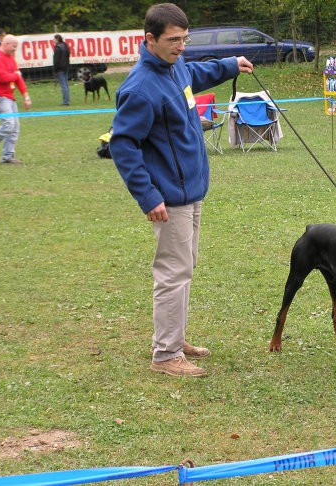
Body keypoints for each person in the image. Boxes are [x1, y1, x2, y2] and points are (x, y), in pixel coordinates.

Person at [109, 3, 253, 377]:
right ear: (150, 40)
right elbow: (123, 146)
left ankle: (174, 337)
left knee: (185, 267)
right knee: (173, 272)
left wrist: (231, 64)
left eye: (184, 39)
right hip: (168, 197)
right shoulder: (140, 88)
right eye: (173, 40)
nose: (181, 46)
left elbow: (197, 72)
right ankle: (166, 355)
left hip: (192, 191)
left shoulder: (174, 68)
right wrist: (148, 195)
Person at [0, 35, 31, 165]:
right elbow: (3, 78)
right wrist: (16, 74)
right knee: (8, 124)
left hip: (9, 96)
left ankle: (8, 156)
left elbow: (18, 79)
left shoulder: (10, 58)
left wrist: (25, 96)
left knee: (15, 127)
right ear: (5, 43)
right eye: (13, 47)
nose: (15, 50)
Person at [53, 34, 70, 106]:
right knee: (66, 84)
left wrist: (55, 69)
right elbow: (68, 55)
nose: (53, 40)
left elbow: (56, 60)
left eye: (54, 39)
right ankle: (67, 100)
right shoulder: (65, 45)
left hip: (60, 69)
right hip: (66, 67)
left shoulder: (58, 48)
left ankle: (66, 102)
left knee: (63, 85)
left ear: (57, 39)